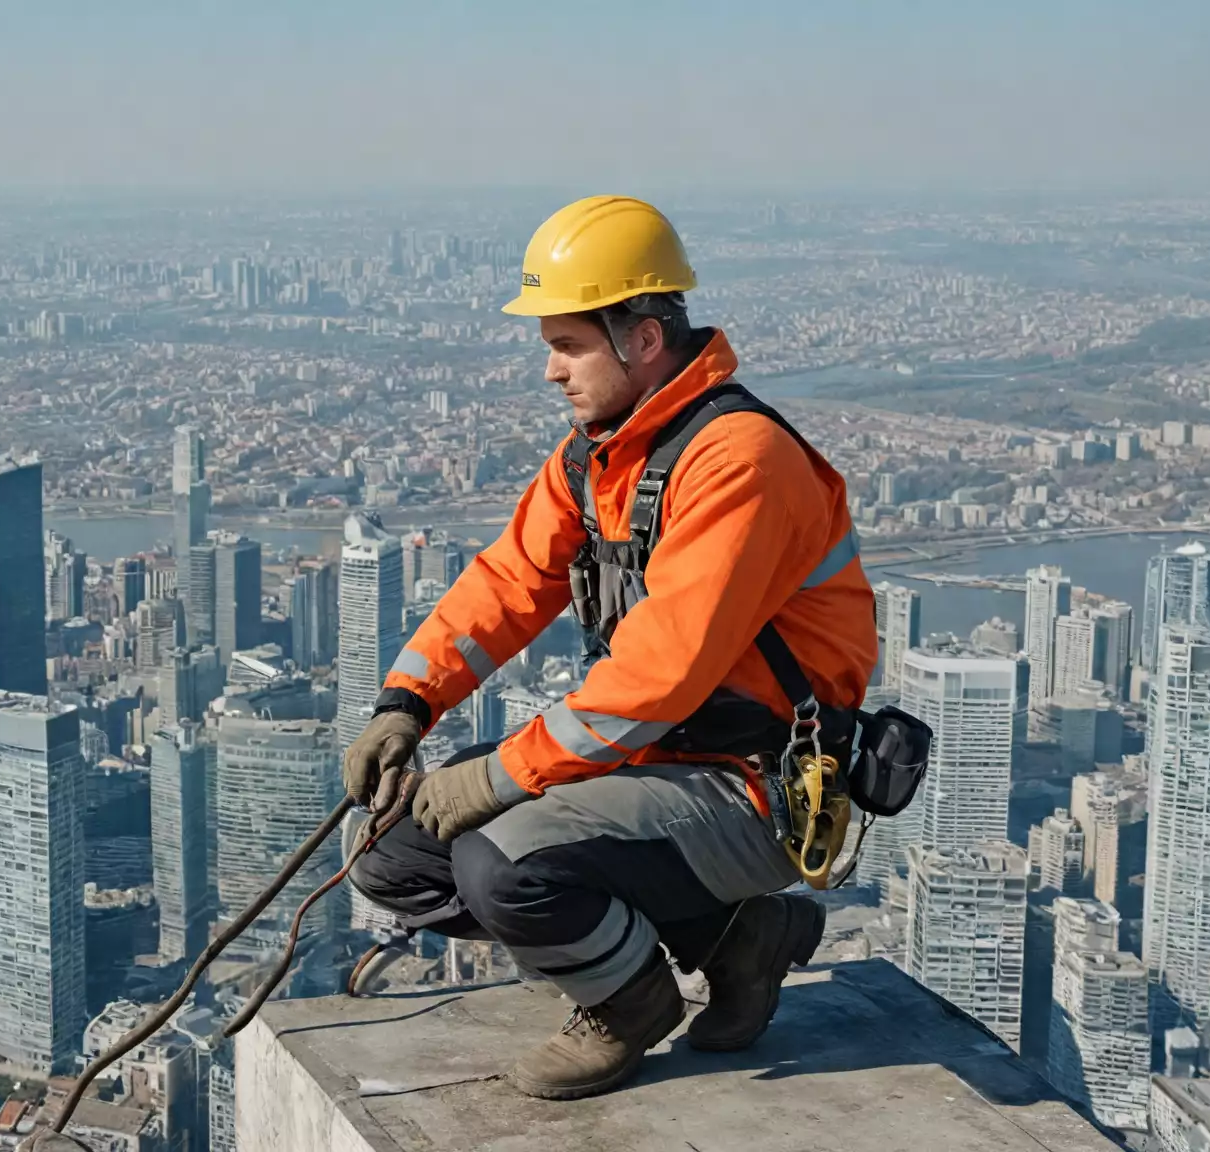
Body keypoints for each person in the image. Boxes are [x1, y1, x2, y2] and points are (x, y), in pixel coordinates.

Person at [343, 195, 876, 1101]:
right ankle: (734, 938)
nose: (551, 370)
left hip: (752, 780)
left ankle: (629, 1007)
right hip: (657, 764)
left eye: (567, 344)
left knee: (501, 859)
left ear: (642, 338)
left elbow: (656, 681)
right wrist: (408, 701)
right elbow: (509, 584)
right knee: (391, 850)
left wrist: (495, 777)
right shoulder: (600, 462)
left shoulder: (739, 462)